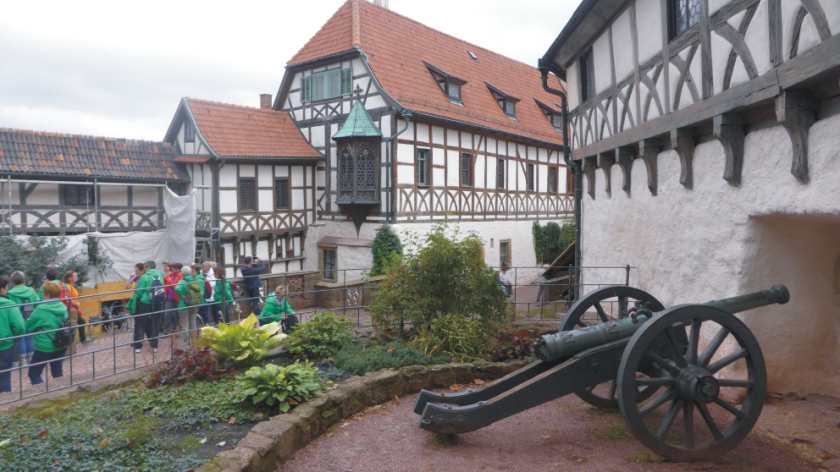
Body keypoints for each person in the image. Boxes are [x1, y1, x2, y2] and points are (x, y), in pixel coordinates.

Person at [26, 281, 69, 385]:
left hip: (45, 345)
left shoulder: (41, 309)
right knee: (57, 370)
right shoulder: (63, 307)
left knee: (34, 373)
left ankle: (41, 395)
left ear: (47, 295)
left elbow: (28, 326)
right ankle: (61, 392)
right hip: (61, 344)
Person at [129, 261, 163, 353]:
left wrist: (134, 300)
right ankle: (154, 346)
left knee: (140, 324)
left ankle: (138, 346)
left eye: (144, 267)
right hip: (157, 303)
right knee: (152, 324)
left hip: (145, 303)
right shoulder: (160, 275)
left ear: (146, 267)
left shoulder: (144, 277)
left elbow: (139, 292)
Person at [7, 271, 40, 364]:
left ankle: (23, 360)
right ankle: (31, 357)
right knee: (30, 337)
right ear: (24, 279)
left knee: (20, 338)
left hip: (18, 319)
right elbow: (37, 303)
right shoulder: (31, 291)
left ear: (12, 281)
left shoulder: (10, 293)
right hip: (31, 318)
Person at [0, 276, 26, 392]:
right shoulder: (8, 304)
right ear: (2, 289)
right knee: (4, 375)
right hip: (5, 345)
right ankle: (6, 405)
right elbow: (20, 326)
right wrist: (14, 337)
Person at [62, 271, 86, 345]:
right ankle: (73, 343)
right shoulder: (67, 286)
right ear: (70, 278)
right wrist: (76, 304)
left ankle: (82, 340)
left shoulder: (70, 285)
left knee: (81, 321)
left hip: (74, 309)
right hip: (71, 309)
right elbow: (67, 298)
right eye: (75, 276)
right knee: (74, 325)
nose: (76, 277)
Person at [163, 263, 183, 334]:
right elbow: (165, 284)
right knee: (167, 314)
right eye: (172, 268)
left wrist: (168, 279)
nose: (172, 269)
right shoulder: (170, 275)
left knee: (175, 315)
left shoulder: (180, 276)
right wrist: (165, 293)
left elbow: (175, 286)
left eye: (173, 268)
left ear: (178, 269)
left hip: (177, 298)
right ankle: (166, 330)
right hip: (169, 297)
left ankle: (174, 329)